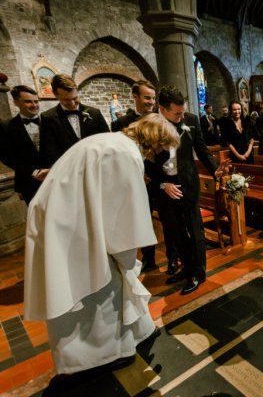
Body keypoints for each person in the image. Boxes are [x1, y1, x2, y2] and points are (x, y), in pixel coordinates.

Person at [24, 113, 179, 376]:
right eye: (163, 146)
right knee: (101, 287)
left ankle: (136, 334)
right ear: (154, 141)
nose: (162, 152)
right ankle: (100, 355)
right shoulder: (125, 154)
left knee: (108, 282)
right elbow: (121, 220)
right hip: (75, 230)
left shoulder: (108, 140)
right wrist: (128, 259)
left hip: (63, 221)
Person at [152, 86, 231, 295]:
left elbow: (202, 149)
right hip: (164, 187)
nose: (181, 116)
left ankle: (198, 273)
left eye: (182, 111)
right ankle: (186, 268)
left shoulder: (192, 120)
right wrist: (163, 184)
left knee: (195, 230)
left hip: (187, 184)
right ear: (162, 109)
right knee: (175, 231)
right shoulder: (150, 124)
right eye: (177, 113)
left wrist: (216, 170)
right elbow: (145, 163)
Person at [110, 79, 178, 273]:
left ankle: (173, 258)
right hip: (136, 183)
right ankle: (148, 258)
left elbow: (167, 152)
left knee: (169, 220)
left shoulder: (162, 120)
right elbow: (120, 156)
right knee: (142, 219)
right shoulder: (121, 123)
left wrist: (160, 178)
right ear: (135, 97)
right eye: (147, 97)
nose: (150, 102)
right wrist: (139, 174)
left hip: (162, 180)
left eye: (153, 98)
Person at [40, 74, 109, 166]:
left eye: (75, 98)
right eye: (66, 100)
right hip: (68, 170)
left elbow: (107, 141)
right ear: (55, 94)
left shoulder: (94, 113)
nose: (72, 104)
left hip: (97, 165)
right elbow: (49, 152)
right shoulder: (48, 118)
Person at [0, 85, 48, 204]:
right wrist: (33, 171)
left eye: (36, 101)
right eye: (28, 102)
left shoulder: (51, 121)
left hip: (54, 176)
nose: (34, 105)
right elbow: (7, 156)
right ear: (16, 103)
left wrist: (51, 169)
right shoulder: (6, 126)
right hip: (28, 182)